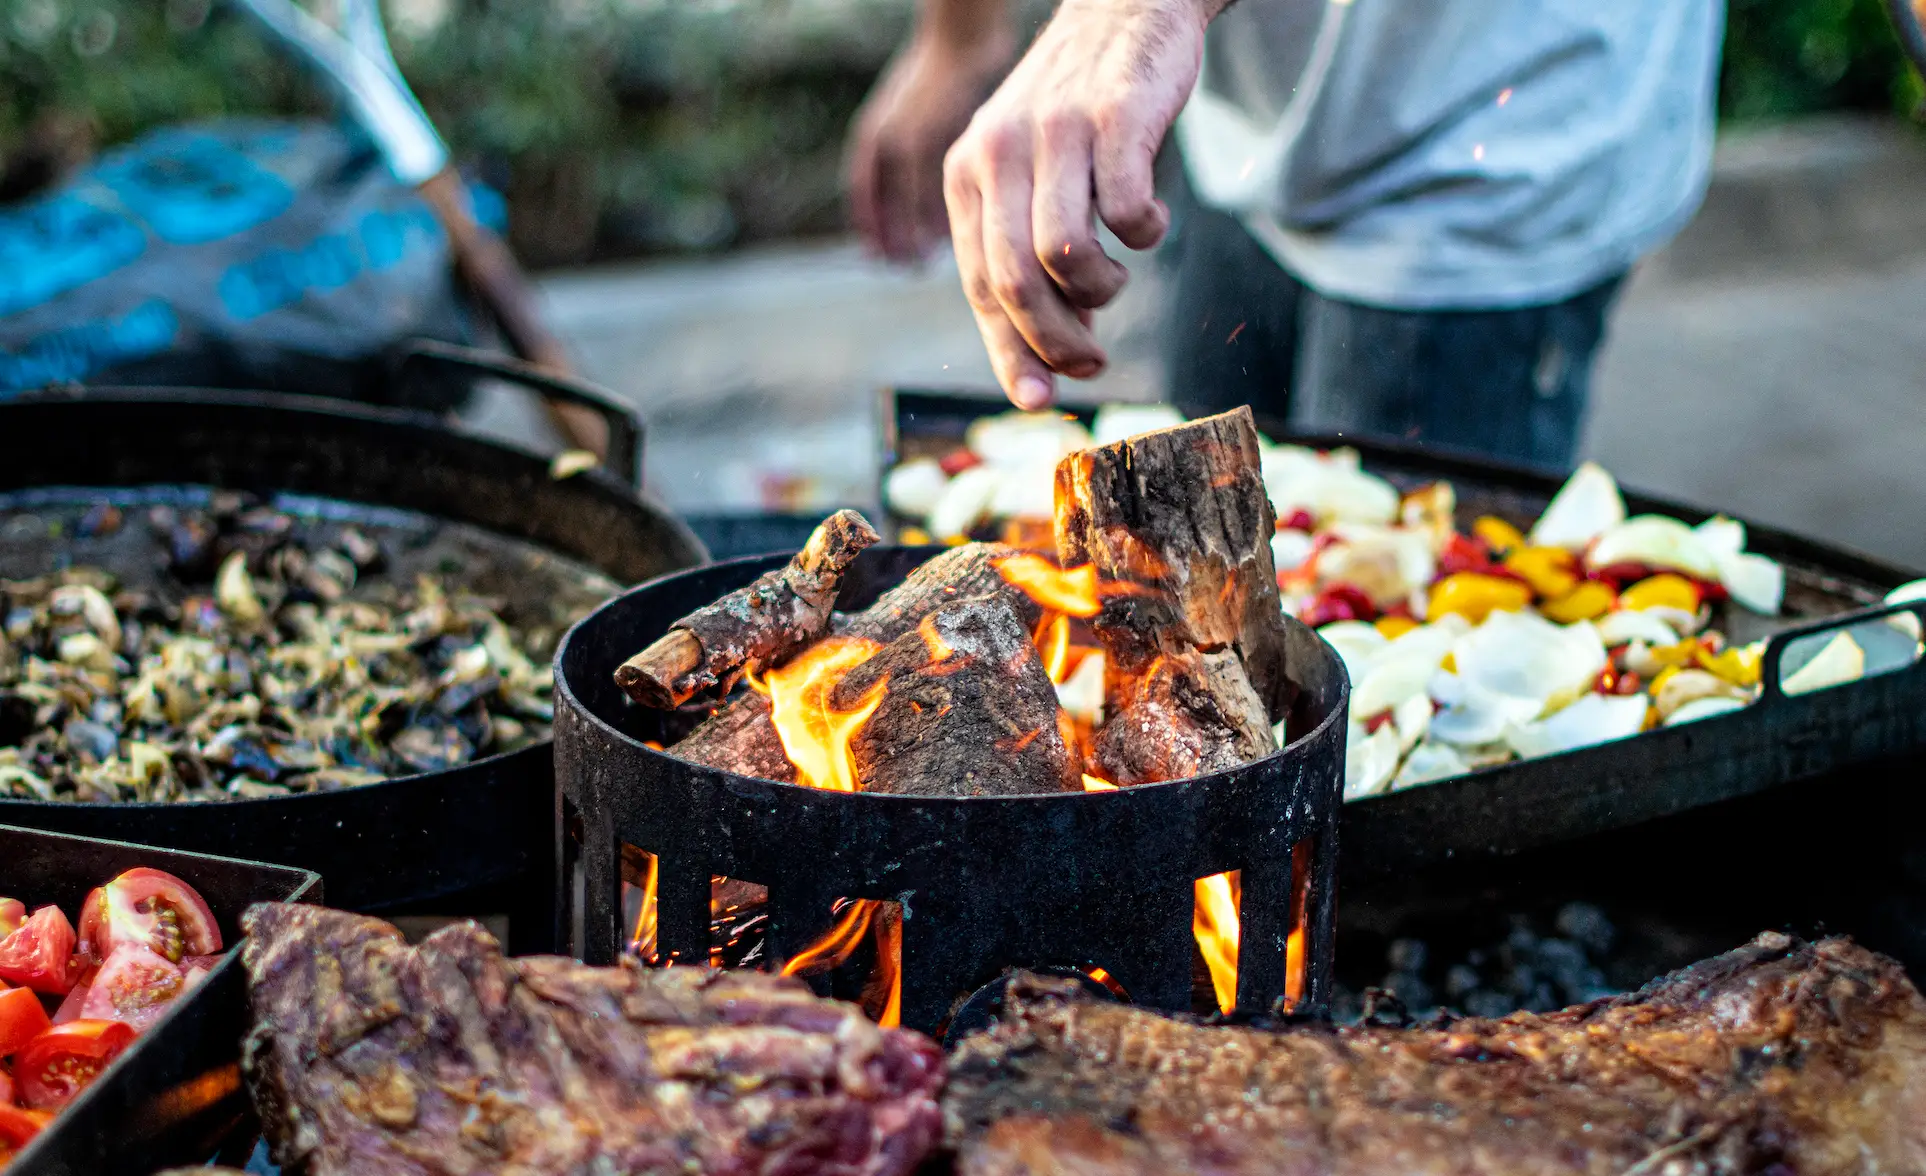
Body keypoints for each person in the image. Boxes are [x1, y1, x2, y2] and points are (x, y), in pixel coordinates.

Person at [845, 0, 1723, 467]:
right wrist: (960, 30)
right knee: (1192, 576)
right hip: (1235, 102)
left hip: (1481, 139)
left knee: (1385, 661)